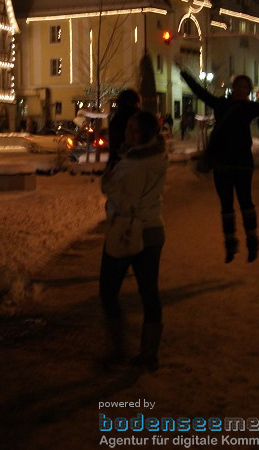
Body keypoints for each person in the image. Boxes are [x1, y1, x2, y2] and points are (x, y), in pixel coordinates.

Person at [178, 66, 259, 264]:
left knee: (246, 202)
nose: (241, 89)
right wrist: (186, 74)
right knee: (226, 206)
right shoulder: (221, 104)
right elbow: (200, 92)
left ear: (249, 91)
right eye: (238, 86)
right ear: (233, 87)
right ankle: (230, 244)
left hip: (242, 164)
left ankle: (252, 241)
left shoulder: (249, 108)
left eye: (245, 87)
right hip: (222, 163)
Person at [99, 110, 167, 371]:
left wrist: (108, 183)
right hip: (153, 230)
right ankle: (149, 354)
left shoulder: (134, 164)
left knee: (108, 291)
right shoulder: (157, 156)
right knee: (149, 293)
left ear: (147, 134)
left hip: (127, 232)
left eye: (134, 130)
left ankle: (118, 349)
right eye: (128, 128)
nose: (128, 133)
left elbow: (123, 198)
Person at [107, 89, 141, 171]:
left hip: (120, 162)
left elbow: (114, 145)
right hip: (138, 161)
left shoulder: (116, 119)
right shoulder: (141, 117)